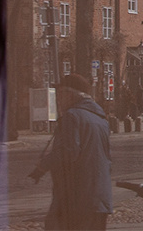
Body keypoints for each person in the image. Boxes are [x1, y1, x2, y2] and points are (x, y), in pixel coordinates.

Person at [29, 74, 113, 230]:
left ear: (70, 94)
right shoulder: (101, 119)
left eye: (60, 94)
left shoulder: (72, 116)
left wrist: (43, 166)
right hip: (99, 199)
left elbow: (68, 152)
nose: (58, 100)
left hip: (75, 199)